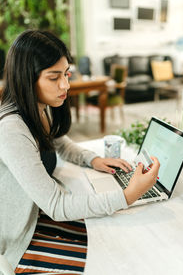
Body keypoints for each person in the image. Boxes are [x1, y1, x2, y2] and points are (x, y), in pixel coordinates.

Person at [0, 30, 160, 274]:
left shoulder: (40, 106)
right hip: (22, 235)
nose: (65, 85)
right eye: (54, 78)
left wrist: (93, 159)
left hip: (38, 213)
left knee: (119, 238)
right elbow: (56, 205)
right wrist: (129, 195)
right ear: (26, 78)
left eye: (66, 74)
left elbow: (60, 142)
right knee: (112, 257)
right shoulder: (12, 128)